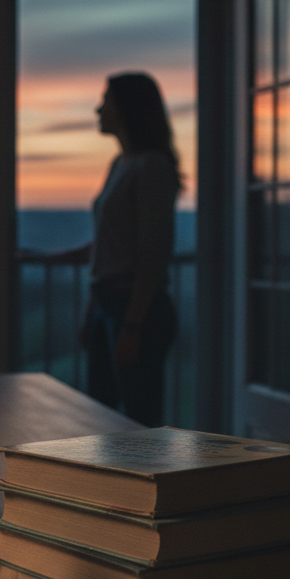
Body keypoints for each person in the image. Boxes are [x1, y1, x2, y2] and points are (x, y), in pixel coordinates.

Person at [52, 72, 180, 426]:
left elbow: (152, 250)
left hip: (134, 308)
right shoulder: (120, 165)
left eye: (106, 100)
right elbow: (118, 240)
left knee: (138, 422)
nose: (98, 109)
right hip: (109, 305)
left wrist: (133, 326)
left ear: (127, 109)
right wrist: (93, 309)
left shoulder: (151, 166)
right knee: (101, 417)